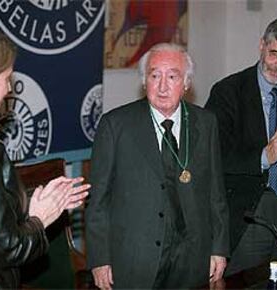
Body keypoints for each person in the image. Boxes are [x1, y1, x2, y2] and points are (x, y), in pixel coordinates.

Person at [86, 43, 230, 289]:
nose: (162, 86)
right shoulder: (115, 126)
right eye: (155, 76)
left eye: (172, 76)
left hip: (192, 257)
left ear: (186, 84)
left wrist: (219, 248)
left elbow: (216, 192)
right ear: (144, 81)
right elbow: (98, 201)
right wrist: (100, 259)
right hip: (135, 257)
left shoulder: (206, 123)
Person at [0, 25, 90, 288]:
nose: (9, 89)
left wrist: (35, 200)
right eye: (6, 78)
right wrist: (41, 218)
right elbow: (9, 249)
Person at [205, 17, 277, 275]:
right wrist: (264, 156)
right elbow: (214, 156)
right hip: (246, 210)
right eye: (274, 54)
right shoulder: (228, 91)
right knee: (245, 281)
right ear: (261, 46)